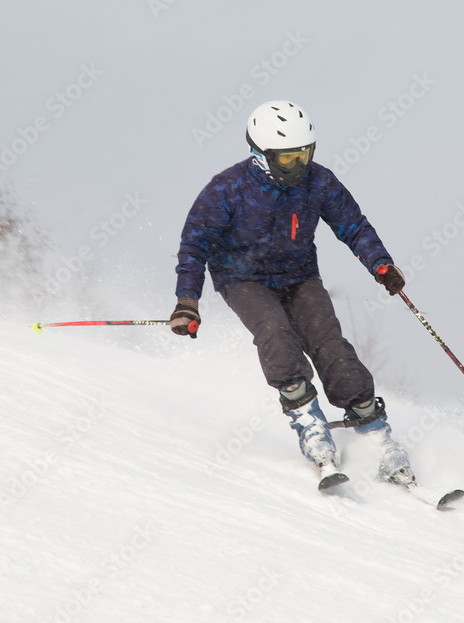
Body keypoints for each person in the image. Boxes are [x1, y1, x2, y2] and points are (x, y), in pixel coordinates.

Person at [170, 100, 413, 488]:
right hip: (243, 280)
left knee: (330, 345)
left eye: (305, 154)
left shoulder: (319, 181)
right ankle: (310, 426)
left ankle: (376, 433)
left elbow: (353, 225)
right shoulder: (227, 189)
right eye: (288, 159)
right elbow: (194, 246)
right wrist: (187, 301)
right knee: (276, 336)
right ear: (261, 156)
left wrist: (380, 265)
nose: (299, 165)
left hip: (299, 277)